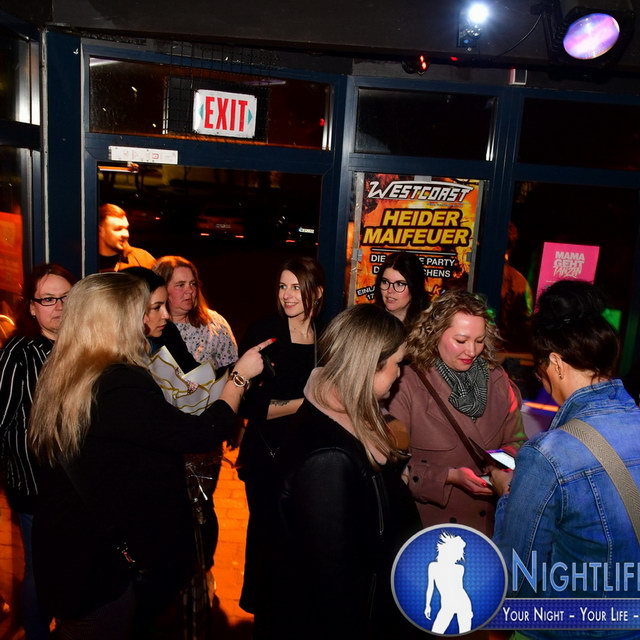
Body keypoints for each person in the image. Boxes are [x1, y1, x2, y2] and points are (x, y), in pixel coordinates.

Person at [28, 272, 271, 640]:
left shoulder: (69, 369)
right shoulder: (119, 382)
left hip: (71, 555)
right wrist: (239, 378)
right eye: (142, 311)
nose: (153, 318)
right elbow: (200, 433)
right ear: (118, 321)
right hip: (98, 571)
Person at [261, 304, 421, 638]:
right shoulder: (329, 459)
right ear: (371, 365)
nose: (399, 374)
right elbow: (334, 586)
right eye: (397, 364)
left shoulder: (346, 417)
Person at [492, 280, 640, 640]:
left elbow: (517, 580)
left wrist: (509, 496)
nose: (544, 384)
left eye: (541, 373)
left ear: (556, 364)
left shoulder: (549, 454)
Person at [387, 289, 525, 535]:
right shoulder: (406, 384)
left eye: (479, 341)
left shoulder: (498, 380)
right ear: (435, 334)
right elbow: (393, 468)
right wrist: (448, 477)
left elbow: (517, 441)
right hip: (434, 531)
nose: (471, 351)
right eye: (461, 341)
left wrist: (499, 469)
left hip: (489, 528)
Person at [236, 255, 324, 614]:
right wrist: (305, 404)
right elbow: (248, 406)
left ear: (317, 292)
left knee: (298, 538)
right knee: (266, 536)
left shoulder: (326, 336)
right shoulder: (265, 333)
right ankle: (262, 612)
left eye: (297, 288)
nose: (287, 295)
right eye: (283, 287)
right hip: (266, 455)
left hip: (306, 455)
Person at [0, 262, 77, 640]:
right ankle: (36, 633)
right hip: (36, 485)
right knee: (40, 568)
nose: (58, 306)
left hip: (74, 483)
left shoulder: (80, 346)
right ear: (31, 306)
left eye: (65, 298)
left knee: (66, 562)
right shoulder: (19, 353)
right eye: (48, 299)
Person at [154, 256, 237, 373]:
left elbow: (233, 368)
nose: (190, 290)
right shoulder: (150, 327)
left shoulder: (214, 322)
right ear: (162, 289)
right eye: (181, 285)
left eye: (193, 284)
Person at [374, 251, 429, 326]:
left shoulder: (429, 326)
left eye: (399, 284)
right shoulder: (367, 322)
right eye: (385, 282)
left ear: (414, 288)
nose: (390, 290)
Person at [98, 203, 155, 272]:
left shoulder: (142, 258)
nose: (126, 234)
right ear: (100, 231)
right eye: (118, 229)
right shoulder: (87, 260)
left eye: (126, 228)